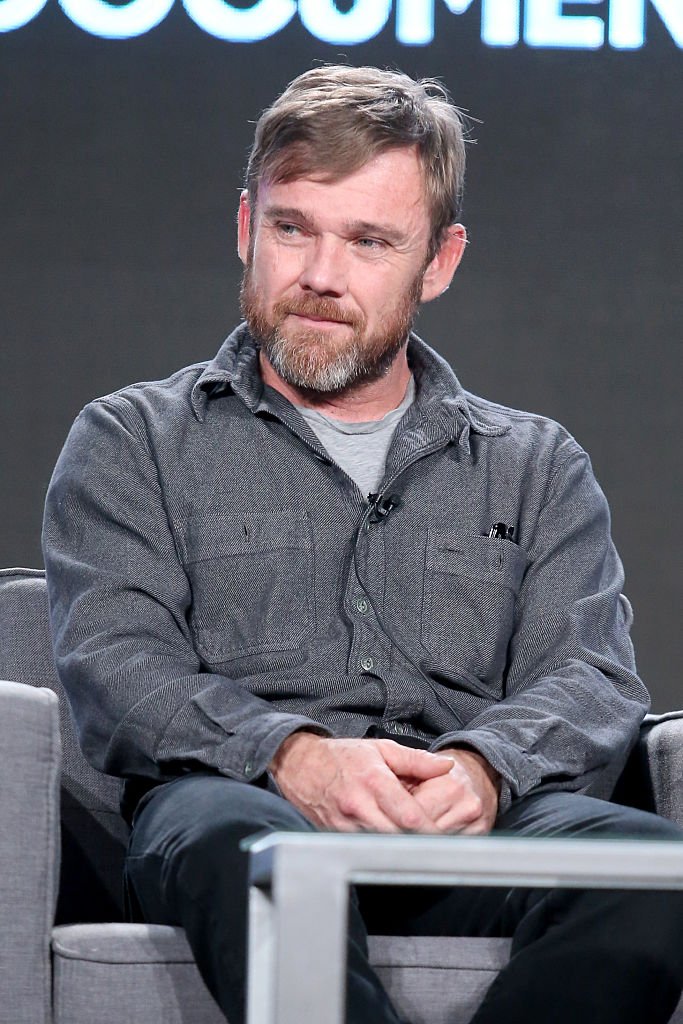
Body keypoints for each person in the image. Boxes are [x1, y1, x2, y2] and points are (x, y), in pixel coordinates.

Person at [42, 65, 683, 1024]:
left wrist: (480, 770)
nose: (319, 276)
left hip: (471, 821)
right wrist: (290, 753)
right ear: (245, 226)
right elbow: (116, 664)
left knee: (654, 871)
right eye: (292, 227)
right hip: (236, 809)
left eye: (369, 241)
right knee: (250, 848)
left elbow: (590, 674)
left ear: (439, 261)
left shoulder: (534, 463)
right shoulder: (133, 439)